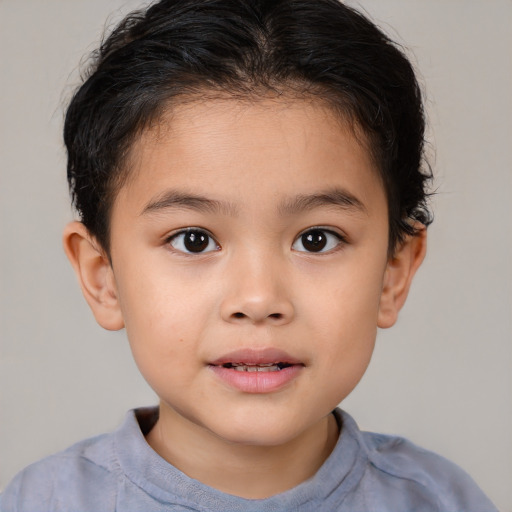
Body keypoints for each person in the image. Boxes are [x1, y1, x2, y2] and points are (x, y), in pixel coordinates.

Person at [0, 0, 497, 510]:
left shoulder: (444, 501)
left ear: (394, 273)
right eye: (193, 239)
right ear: (102, 276)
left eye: (316, 239)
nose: (258, 299)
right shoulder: (42, 501)